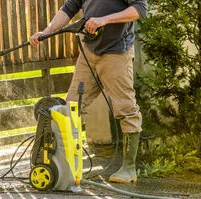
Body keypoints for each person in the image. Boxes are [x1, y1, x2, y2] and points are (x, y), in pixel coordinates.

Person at [29, 0, 148, 183]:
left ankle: (129, 169)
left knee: (126, 110)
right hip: (89, 52)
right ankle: (68, 166)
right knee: (71, 108)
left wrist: (104, 20)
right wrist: (46, 32)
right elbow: (69, 8)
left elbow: (140, 9)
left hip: (116, 53)